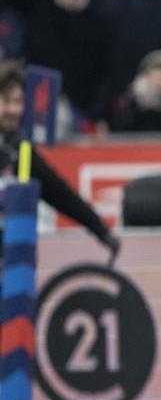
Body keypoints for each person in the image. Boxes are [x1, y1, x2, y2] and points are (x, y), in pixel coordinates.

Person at [0, 60, 119, 259]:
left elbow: (60, 194)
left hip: (13, 258)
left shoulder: (21, 152)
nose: (13, 110)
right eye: (6, 101)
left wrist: (101, 230)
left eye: (18, 102)